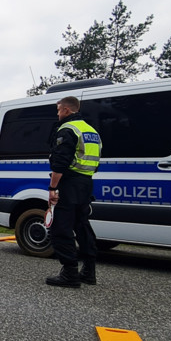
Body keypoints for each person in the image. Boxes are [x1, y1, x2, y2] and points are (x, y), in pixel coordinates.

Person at [45, 95, 101, 288]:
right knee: (82, 225)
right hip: (86, 183)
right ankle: (89, 271)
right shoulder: (91, 131)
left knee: (61, 228)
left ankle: (70, 273)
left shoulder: (68, 129)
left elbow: (60, 162)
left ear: (67, 110)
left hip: (68, 184)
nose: (58, 114)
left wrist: (53, 188)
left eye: (59, 110)